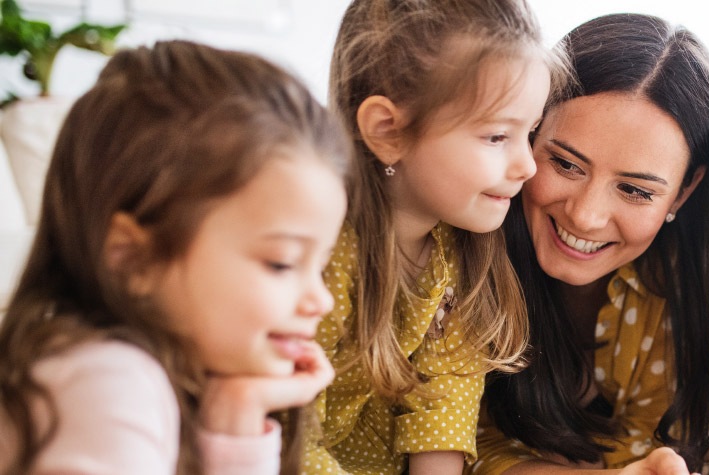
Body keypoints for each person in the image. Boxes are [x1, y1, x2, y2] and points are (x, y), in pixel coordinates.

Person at [0, 40, 348, 474]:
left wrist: (237, 414)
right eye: (281, 263)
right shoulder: (111, 385)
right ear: (132, 257)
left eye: (321, 266)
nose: (321, 300)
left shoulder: (153, 373)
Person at [474, 13, 709, 475]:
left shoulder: (692, 294)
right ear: (529, 134)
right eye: (565, 164)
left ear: (684, 192)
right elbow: (457, 445)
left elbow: (659, 454)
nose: (585, 215)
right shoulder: (461, 259)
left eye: (635, 190)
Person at [302, 0, 566, 473]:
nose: (527, 165)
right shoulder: (318, 255)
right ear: (388, 131)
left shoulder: (460, 245)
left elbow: (444, 404)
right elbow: (288, 435)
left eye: (530, 132)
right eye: (496, 137)